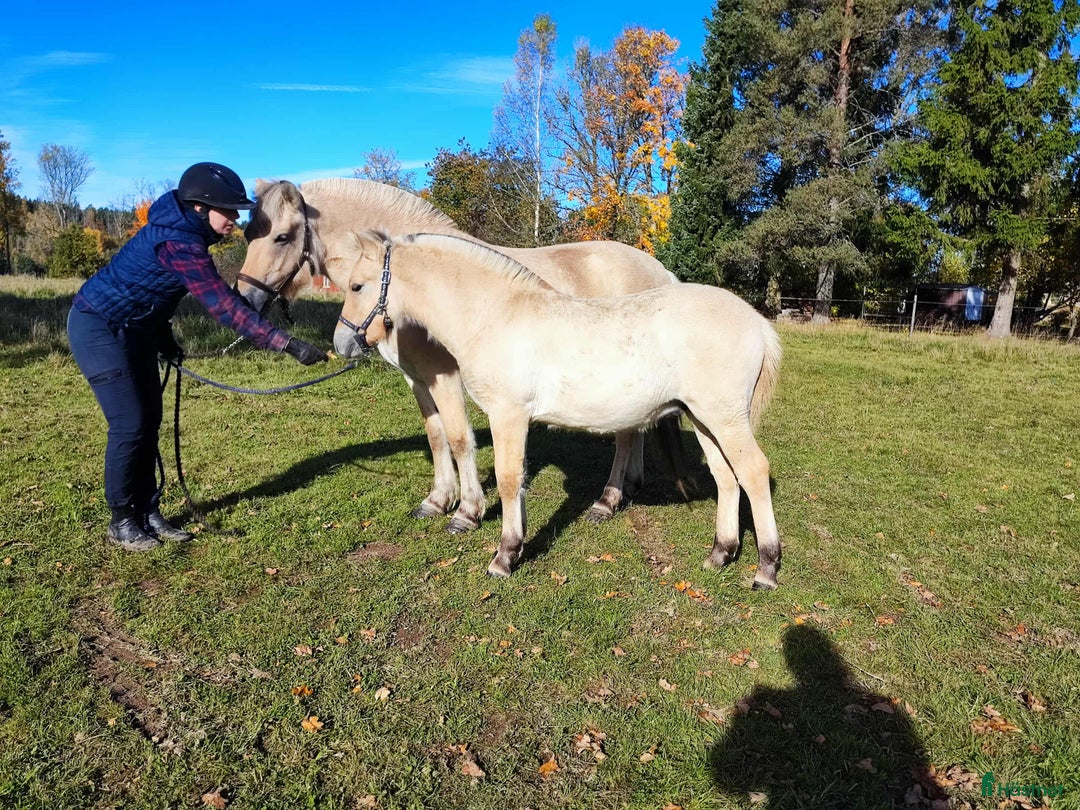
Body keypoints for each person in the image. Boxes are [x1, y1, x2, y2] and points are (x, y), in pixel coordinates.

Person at [67, 162, 329, 552]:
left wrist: (163, 336)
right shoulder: (180, 243)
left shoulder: (186, 235)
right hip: (99, 327)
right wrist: (286, 344)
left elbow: (151, 292)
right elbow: (225, 308)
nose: (236, 219)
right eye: (229, 210)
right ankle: (122, 520)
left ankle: (148, 510)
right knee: (130, 424)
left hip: (137, 329)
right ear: (200, 208)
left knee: (149, 422)